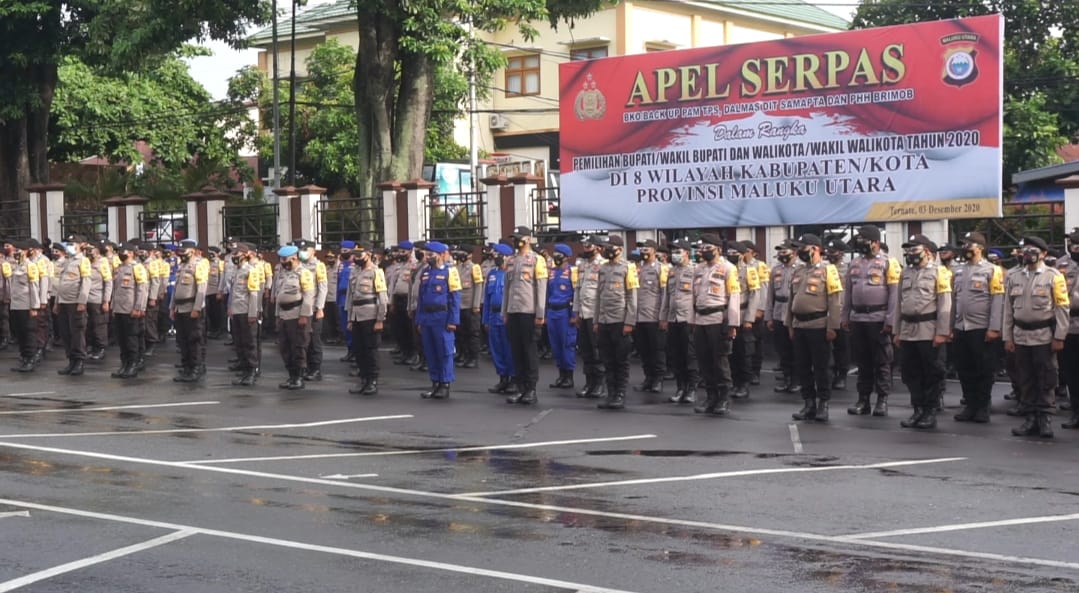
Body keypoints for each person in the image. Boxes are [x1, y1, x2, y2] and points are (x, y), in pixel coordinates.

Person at [1004, 237, 1069, 438]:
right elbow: (1008, 309)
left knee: (1046, 378)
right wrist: (1007, 336)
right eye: (1025, 250)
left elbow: (1062, 308)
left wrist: (1059, 336)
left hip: (1043, 336)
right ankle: (1030, 418)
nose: (1027, 253)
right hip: (1021, 336)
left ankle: (1045, 418)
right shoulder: (1015, 277)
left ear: (1042, 254)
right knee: (1026, 379)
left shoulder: (1054, 276)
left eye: (1032, 250)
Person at [895, 234, 952, 430]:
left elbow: (945, 304)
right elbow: (898, 304)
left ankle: (930, 411)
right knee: (911, 372)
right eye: (908, 251)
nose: (910, 255)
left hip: (928, 330)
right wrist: (897, 331)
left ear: (927, 252)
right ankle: (917, 409)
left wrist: (942, 332)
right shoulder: (906, 273)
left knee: (932, 373)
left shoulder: (940, 272)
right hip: (908, 329)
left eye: (914, 250)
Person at [843, 225, 900, 416]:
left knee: (882, 361)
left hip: (878, 318)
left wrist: (890, 320)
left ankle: (882, 400)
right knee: (863, 361)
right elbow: (848, 293)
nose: (860, 242)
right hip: (858, 318)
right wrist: (845, 317)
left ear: (875, 242)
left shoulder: (888, 263)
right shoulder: (854, 263)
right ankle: (863, 400)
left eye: (864, 239)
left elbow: (894, 294)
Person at [786, 234, 844, 422]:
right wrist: (790, 323)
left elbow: (835, 301)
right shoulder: (798, 271)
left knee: (821, 367)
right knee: (802, 367)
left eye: (803, 247)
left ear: (815, 249)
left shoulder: (829, 270)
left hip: (819, 325)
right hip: (799, 324)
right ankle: (808, 403)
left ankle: (823, 404)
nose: (800, 251)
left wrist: (833, 326)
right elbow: (791, 300)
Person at [950, 232, 1004, 423]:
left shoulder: (992, 270)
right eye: (964, 244)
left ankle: (983, 406)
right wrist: (951, 326)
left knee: (983, 369)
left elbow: (998, 301)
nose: (965, 248)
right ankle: (970, 405)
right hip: (961, 326)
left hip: (981, 327)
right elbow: (954, 301)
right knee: (964, 368)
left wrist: (994, 327)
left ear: (980, 248)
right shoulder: (957, 270)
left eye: (969, 245)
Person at [689, 234, 740, 415]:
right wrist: (692, 320)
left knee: (720, 360)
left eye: (708, 248)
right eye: (702, 248)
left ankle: (724, 398)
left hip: (718, 318)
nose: (704, 251)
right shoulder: (699, 269)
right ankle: (710, 397)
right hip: (700, 319)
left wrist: (732, 324)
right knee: (704, 360)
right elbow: (692, 297)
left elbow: (734, 296)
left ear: (718, 249)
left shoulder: (728, 268)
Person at [502, 227, 548, 404]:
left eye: (519, 238)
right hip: (513, 310)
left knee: (529, 351)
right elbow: (507, 288)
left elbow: (541, 287)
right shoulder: (511, 260)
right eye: (514, 238)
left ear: (528, 239)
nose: (516, 241)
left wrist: (540, 313)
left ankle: (531, 389)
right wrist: (504, 311)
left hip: (529, 311)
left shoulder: (538, 260)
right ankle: (520, 388)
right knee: (516, 351)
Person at [594, 235, 638, 410]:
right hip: (604, 320)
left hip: (620, 320)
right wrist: (596, 320)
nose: (606, 250)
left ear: (619, 249)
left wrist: (630, 322)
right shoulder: (603, 268)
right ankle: (610, 392)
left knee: (620, 360)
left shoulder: (628, 268)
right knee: (607, 359)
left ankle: (619, 393)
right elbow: (599, 295)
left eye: (610, 247)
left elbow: (632, 297)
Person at [416, 241, 461, 400]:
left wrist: (453, 321)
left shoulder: (451, 272)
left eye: (431, 254)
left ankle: (445, 383)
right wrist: (419, 319)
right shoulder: (426, 273)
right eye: (427, 254)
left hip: (442, 317)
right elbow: (420, 298)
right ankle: (435, 383)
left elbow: (455, 298)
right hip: (427, 317)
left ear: (441, 255)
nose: (428, 257)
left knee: (445, 351)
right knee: (430, 351)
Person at [347, 242, 388, 396]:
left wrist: (380, 319)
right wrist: (350, 319)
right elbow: (350, 298)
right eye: (355, 255)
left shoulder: (376, 272)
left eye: (359, 255)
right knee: (359, 349)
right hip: (357, 315)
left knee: (371, 350)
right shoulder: (354, 272)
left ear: (368, 254)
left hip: (370, 315)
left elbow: (382, 298)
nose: (356, 258)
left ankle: (372, 381)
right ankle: (363, 379)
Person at [660, 238, 698, 404]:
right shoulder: (672, 271)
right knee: (676, 356)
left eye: (677, 251)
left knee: (690, 356)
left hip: (688, 319)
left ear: (686, 253)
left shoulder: (695, 270)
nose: (674, 255)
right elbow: (667, 297)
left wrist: (697, 319)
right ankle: (680, 387)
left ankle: (692, 389)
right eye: (672, 251)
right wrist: (663, 317)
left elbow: (698, 297)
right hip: (673, 318)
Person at [275, 244, 315, 389]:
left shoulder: (304, 273)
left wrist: (304, 315)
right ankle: (291, 376)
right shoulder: (282, 273)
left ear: (294, 258)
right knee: (285, 347)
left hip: (297, 313)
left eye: (285, 259)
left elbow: (308, 295)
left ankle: (298, 377)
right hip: (284, 314)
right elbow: (278, 296)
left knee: (298, 346)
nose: (282, 261)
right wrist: (277, 315)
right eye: (281, 259)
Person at [170, 239, 209, 383]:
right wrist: (172, 307)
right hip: (180, 308)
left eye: (183, 251)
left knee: (194, 340)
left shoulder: (198, 265)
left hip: (191, 307)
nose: (181, 254)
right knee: (183, 340)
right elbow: (176, 289)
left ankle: (196, 368)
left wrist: (197, 308)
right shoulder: (182, 266)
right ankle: (186, 367)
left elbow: (201, 288)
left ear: (192, 251)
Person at [572, 236, 606, 398]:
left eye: (589, 245)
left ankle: (599, 383)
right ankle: (589, 382)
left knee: (596, 350)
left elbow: (603, 293)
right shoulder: (583, 266)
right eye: (584, 245)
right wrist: (576, 312)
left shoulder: (603, 265)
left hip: (595, 313)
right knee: (585, 350)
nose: (586, 248)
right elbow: (578, 290)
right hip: (583, 314)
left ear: (598, 248)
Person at [109, 242, 149, 379]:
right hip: (119, 308)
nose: (120, 253)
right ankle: (124, 364)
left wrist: (139, 307)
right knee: (122, 339)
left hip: (130, 308)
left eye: (123, 251)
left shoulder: (137, 268)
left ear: (131, 253)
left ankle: (133, 365)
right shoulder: (119, 268)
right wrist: (113, 306)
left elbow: (142, 289)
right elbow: (116, 290)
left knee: (132, 339)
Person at [54, 234, 92, 376]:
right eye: (68, 243)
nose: (70, 246)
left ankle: (79, 361)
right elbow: (61, 283)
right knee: (66, 333)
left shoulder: (83, 261)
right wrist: (57, 302)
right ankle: (71, 360)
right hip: (64, 301)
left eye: (73, 243)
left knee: (77, 333)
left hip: (75, 302)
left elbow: (86, 282)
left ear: (81, 245)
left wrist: (82, 301)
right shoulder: (67, 260)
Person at [727, 240, 760, 399]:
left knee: (744, 352)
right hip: (728, 316)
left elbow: (754, 295)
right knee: (730, 353)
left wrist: (749, 318)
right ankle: (734, 383)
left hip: (742, 315)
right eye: (730, 252)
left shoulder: (750, 270)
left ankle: (744, 384)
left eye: (735, 253)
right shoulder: (725, 269)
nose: (731, 255)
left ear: (742, 255)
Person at [227, 244, 263, 386]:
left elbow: (253, 294)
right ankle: (244, 370)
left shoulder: (251, 270)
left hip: (246, 312)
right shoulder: (236, 271)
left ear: (245, 254)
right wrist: (230, 308)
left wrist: (252, 314)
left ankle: (252, 372)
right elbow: (233, 293)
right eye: (233, 254)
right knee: (239, 343)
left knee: (249, 343)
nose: (234, 256)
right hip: (236, 311)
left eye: (237, 253)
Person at [766, 241, 800, 394]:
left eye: (785, 252)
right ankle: (786, 378)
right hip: (779, 312)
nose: (782, 255)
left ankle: (796, 380)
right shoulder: (776, 270)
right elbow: (770, 296)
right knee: (782, 349)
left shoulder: (800, 269)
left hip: (794, 312)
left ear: (794, 252)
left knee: (796, 349)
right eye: (780, 252)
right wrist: (769, 316)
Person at [484, 243, 517, 395]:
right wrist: (485, 320)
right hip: (492, 315)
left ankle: (513, 379)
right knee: (496, 349)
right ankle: (503, 378)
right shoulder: (492, 273)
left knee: (509, 349)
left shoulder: (512, 273)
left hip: (506, 316)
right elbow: (487, 298)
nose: (495, 257)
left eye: (498, 254)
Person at [294, 239, 329, 382]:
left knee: (314, 340)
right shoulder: (298, 265)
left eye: (305, 250)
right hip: (300, 308)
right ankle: (304, 367)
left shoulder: (318, 266)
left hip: (313, 307)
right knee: (302, 339)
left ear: (313, 251)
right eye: (300, 250)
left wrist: (320, 307)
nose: (302, 253)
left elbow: (322, 287)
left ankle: (315, 369)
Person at [546, 243, 577, 389]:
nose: (556, 257)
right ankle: (561, 375)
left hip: (565, 312)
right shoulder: (551, 272)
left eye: (560, 254)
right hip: (552, 312)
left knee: (567, 344)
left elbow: (576, 294)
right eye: (555, 254)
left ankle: (569, 376)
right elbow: (547, 294)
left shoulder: (572, 272)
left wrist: (574, 314)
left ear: (567, 257)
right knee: (556, 344)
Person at [7, 239, 41, 372]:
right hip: (16, 305)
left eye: (18, 250)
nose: (15, 252)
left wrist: (34, 306)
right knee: (20, 333)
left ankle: (31, 358)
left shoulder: (30, 266)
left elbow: (34, 287)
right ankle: (24, 357)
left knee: (28, 333)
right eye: (15, 250)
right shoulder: (16, 265)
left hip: (26, 305)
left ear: (26, 251)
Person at [823, 236, 850, 391]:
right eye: (828, 251)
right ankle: (830, 372)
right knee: (827, 346)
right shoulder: (824, 268)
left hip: (842, 311)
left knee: (842, 345)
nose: (830, 254)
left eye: (833, 252)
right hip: (826, 312)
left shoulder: (848, 269)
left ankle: (842, 374)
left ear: (841, 253)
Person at [453, 245, 484, 369]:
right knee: (461, 332)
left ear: (470, 255)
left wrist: (476, 305)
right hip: (459, 305)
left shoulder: (474, 267)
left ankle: (473, 357)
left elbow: (478, 286)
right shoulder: (457, 268)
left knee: (472, 332)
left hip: (470, 305)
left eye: (464, 252)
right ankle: (463, 354)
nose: (461, 254)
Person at [84, 240, 113, 361]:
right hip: (86, 299)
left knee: (99, 325)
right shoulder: (87, 262)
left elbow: (108, 282)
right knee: (89, 325)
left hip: (97, 298)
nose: (90, 250)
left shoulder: (103, 263)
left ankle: (101, 348)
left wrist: (106, 300)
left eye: (92, 248)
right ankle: (91, 346)